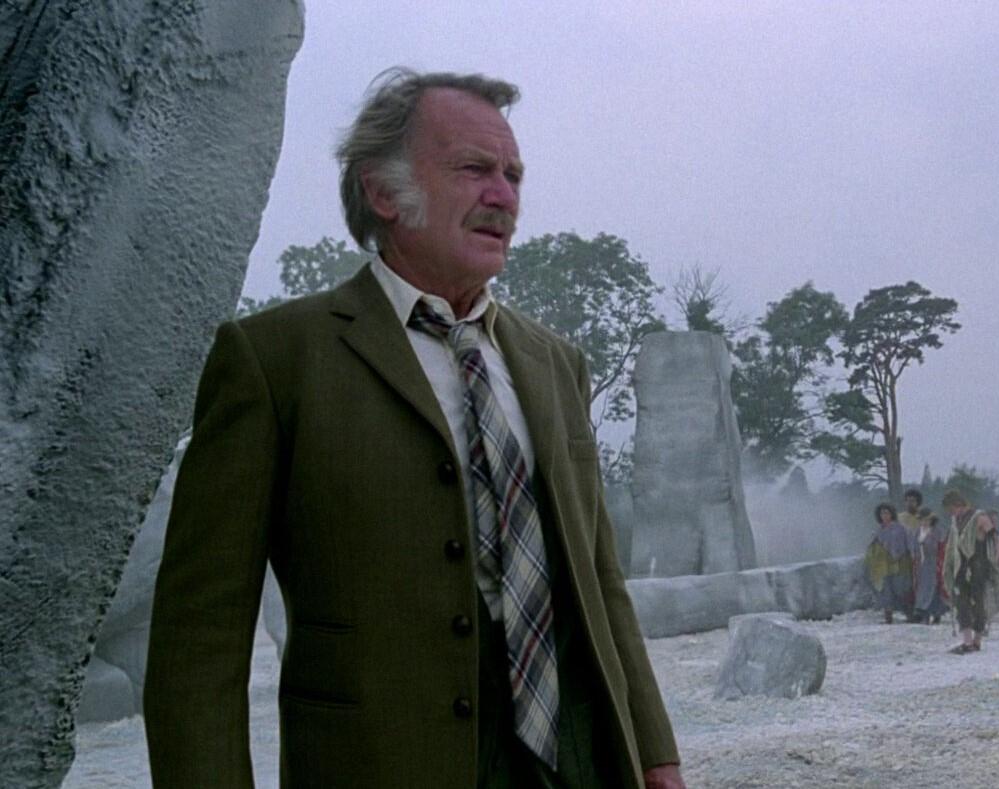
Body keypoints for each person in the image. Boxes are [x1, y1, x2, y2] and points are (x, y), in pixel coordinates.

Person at [143, 69, 684, 789]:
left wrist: (654, 753)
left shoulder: (557, 363)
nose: (504, 196)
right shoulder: (273, 361)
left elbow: (600, 580)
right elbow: (199, 637)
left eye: (513, 175)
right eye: (474, 169)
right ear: (383, 193)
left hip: (578, 761)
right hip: (381, 761)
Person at [941, 490, 997, 654]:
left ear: (958, 504)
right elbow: (953, 543)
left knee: (978, 601)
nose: (951, 513)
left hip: (978, 564)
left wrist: (998, 554)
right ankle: (967, 641)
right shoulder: (956, 521)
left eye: (952, 509)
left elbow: (993, 536)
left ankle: (977, 640)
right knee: (961, 601)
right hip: (961, 565)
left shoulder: (979, 517)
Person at [865, 503, 915, 624]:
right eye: (882, 513)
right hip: (884, 565)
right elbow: (872, 546)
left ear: (892, 514)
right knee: (885, 590)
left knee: (900, 589)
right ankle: (888, 616)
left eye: (887, 513)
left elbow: (909, 543)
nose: (884, 515)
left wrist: (912, 557)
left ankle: (909, 614)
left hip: (900, 563)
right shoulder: (878, 530)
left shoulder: (900, 528)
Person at [911, 507, 947, 624]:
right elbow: (914, 546)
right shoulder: (918, 531)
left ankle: (935, 614)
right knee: (922, 587)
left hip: (933, 562)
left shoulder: (937, 531)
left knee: (934, 588)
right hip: (921, 564)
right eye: (922, 519)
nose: (925, 522)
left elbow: (940, 547)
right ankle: (923, 613)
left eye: (927, 520)